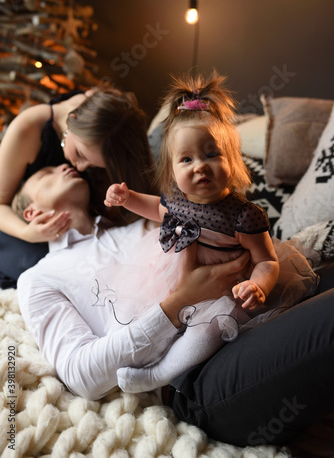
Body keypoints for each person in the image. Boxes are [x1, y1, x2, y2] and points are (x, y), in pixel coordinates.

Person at [15, 163, 334, 449]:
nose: (62, 166)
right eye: (46, 174)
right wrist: (181, 300)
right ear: (31, 213)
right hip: (196, 378)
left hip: (256, 312)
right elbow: (82, 375)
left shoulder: (139, 224)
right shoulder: (39, 278)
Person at [104, 72, 318, 393]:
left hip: (223, 292)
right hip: (175, 279)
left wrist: (257, 285)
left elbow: (267, 261)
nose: (199, 166)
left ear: (232, 159)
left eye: (211, 154)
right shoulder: (176, 201)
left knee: (206, 334)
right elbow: (154, 209)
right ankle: (140, 356)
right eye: (186, 159)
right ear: (173, 172)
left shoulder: (244, 216)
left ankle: (160, 374)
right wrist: (128, 198)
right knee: (142, 309)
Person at [0, 85, 156, 287]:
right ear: (72, 121)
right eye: (80, 155)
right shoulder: (28, 128)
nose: (80, 167)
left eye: (92, 165)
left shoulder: (117, 119)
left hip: (87, 220)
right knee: (52, 270)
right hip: (22, 222)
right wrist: (26, 233)